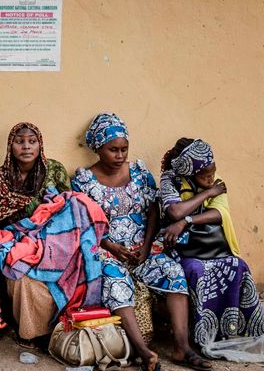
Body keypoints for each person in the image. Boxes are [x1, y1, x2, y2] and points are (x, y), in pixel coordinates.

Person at [72, 113, 210, 371]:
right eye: (113, 150)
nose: (120, 155)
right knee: (115, 284)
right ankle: (144, 351)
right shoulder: (84, 180)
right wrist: (110, 246)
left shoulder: (139, 173)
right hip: (108, 251)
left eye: (124, 149)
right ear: (98, 148)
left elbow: (152, 211)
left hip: (144, 247)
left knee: (173, 272)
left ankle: (182, 346)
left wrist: (146, 247)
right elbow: (84, 222)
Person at [0, 123, 97, 349]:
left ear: (40, 144)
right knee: (19, 273)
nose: (26, 147)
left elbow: (68, 207)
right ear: (11, 146)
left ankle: (61, 328)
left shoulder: (54, 170)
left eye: (32, 141)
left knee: (76, 263)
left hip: (55, 239)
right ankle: (33, 332)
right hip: (17, 239)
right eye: (20, 141)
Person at [159, 138, 264, 359]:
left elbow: (219, 214)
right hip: (182, 251)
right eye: (204, 175)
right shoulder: (171, 180)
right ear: (190, 172)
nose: (211, 179)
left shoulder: (218, 183)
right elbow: (174, 212)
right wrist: (207, 194)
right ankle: (202, 336)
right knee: (197, 270)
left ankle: (233, 331)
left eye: (212, 173)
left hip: (214, 248)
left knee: (237, 265)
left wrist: (187, 221)